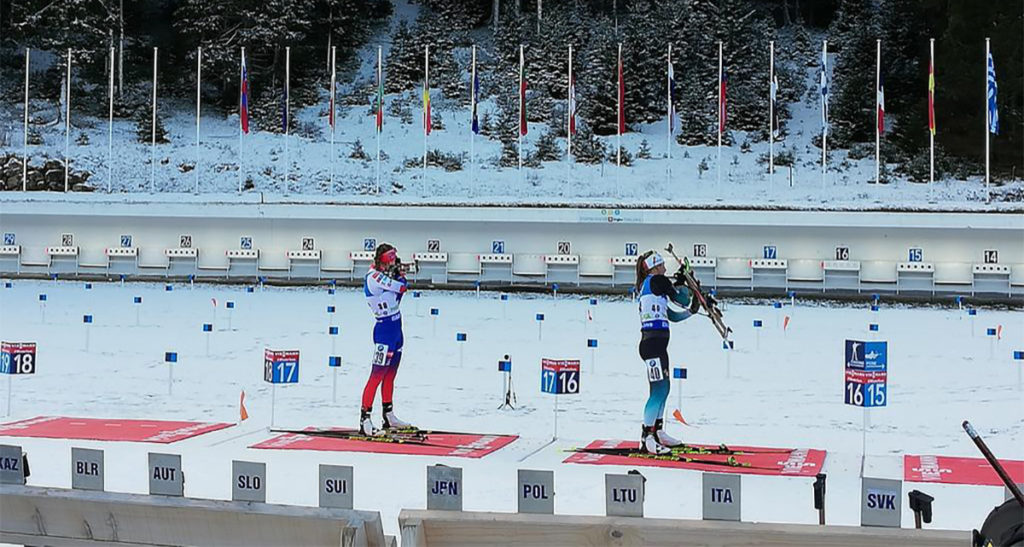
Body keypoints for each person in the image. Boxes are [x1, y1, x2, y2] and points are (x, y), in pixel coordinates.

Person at [635, 250, 702, 455]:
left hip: (656, 345)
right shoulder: (656, 280)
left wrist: (691, 311)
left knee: (664, 388)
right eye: (662, 264)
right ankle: (647, 437)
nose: (665, 268)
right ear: (655, 267)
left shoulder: (654, 286)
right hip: (652, 345)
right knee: (659, 390)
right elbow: (681, 298)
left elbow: (671, 315)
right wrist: (686, 285)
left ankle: (658, 431)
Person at [360, 243, 412, 435]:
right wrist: (399, 277)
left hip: (396, 327)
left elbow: (399, 294)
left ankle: (388, 415)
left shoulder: (383, 275)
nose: (393, 260)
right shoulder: (374, 276)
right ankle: (365, 419)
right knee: (376, 375)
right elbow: (400, 287)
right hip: (384, 330)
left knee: (390, 375)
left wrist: (399, 276)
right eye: (390, 257)